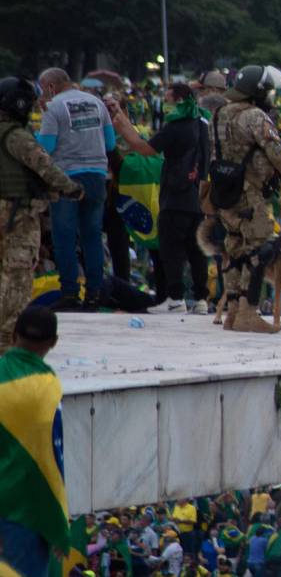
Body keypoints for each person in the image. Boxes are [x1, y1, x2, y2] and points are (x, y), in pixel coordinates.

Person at [110, 83, 211, 314]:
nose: (165, 104)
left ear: (179, 100)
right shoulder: (202, 122)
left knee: (170, 248)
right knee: (196, 250)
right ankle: (201, 300)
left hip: (175, 196)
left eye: (168, 99)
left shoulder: (175, 126)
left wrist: (122, 127)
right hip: (197, 196)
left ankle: (175, 297)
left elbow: (144, 148)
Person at [210, 66, 281, 334]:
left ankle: (233, 312)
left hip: (224, 190)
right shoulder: (255, 116)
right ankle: (249, 311)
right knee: (260, 249)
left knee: (233, 248)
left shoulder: (220, 114)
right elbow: (276, 152)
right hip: (249, 192)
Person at [0, 78, 81, 350]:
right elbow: (46, 168)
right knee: (18, 280)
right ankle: (7, 343)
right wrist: (72, 189)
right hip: (17, 216)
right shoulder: (16, 136)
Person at [36, 67, 115, 309]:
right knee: (92, 236)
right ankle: (94, 293)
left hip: (66, 179)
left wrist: (34, 135)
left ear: (50, 87)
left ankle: (69, 294)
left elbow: (46, 147)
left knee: (64, 238)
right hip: (97, 177)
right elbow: (110, 143)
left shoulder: (54, 107)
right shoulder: (97, 103)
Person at [0, 306, 65, 577]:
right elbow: (51, 462)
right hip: (24, 519)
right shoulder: (47, 389)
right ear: (53, 343)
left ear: (13, 336)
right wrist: (59, 528)